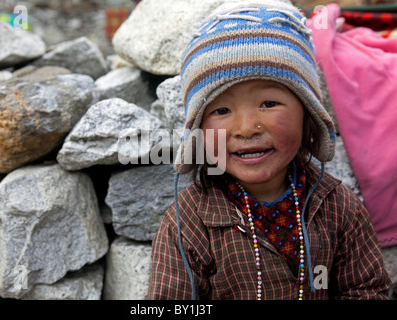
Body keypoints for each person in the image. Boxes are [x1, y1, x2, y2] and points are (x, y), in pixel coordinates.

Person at [148, 0, 391, 300]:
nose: (247, 127)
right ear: (197, 130)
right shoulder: (188, 223)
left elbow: (367, 290)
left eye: (268, 104)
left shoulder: (339, 207)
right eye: (222, 109)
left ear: (308, 113)